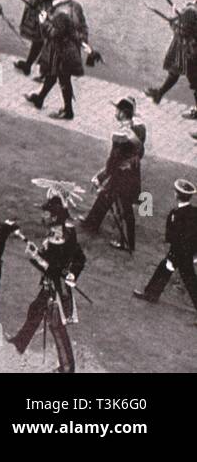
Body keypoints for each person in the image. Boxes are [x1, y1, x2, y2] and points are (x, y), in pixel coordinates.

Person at [7, 193, 86, 373]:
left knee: (56, 325)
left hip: (56, 286)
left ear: (55, 216)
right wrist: (72, 272)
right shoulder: (65, 230)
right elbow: (78, 257)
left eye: (47, 213)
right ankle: (21, 341)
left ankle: (67, 368)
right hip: (55, 283)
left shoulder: (59, 235)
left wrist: (35, 257)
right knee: (36, 309)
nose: (43, 216)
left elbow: (52, 268)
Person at [80, 97, 144, 251]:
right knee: (106, 196)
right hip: (132, 171)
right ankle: (92, 222)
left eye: (118, 109)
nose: (116, 112)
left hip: (122, 175)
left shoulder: (120, 135)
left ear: (123, 113)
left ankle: (128, 243)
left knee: (124, 207)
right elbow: (140, 151)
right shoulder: (140, 128)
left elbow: (113, 160)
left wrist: (100, 177)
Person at [133, 178, 197, 322]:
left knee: (188, 279)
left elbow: (174, 238)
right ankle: (151, 293)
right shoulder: (194, 212)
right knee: (173, 272)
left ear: (176, 195)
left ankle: (151, 294)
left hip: (179, 252)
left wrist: (173, 257)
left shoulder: (176, 214)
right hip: (188, 252)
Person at [145, 0, 197, 115]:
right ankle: (159, 93)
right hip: (188, 46)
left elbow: (182, 30)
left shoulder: (191, 10)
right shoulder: (191, 9)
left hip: (190, 48)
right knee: (175, 70)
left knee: (194, 80)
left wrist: (173, 20)